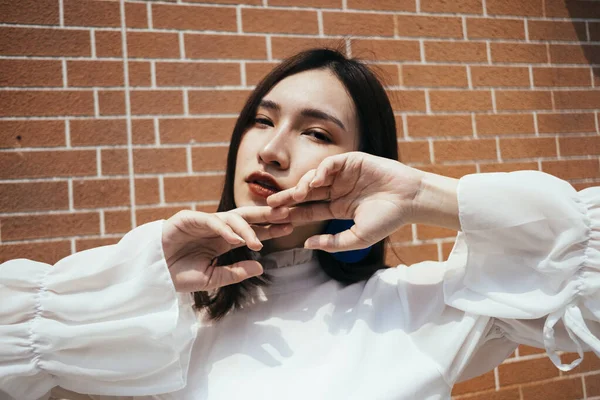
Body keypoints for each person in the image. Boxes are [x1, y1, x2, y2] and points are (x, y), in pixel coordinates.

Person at [0, 48, 598, 400]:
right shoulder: (140, 309)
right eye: (262, 120)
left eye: (317, 132)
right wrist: (143, 268)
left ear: (366, 164)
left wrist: (424, 192)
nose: (273, 151)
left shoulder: (425, 308)